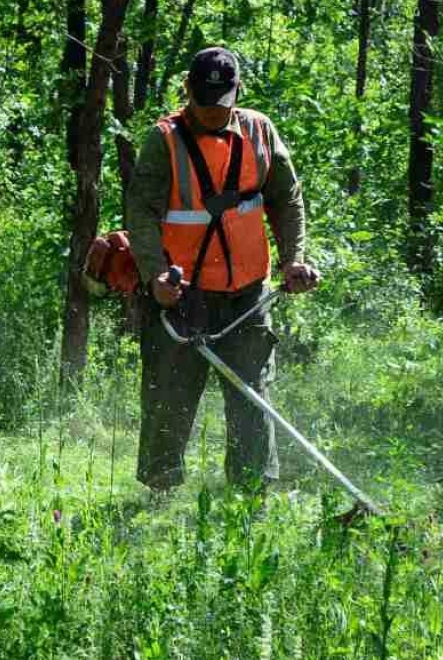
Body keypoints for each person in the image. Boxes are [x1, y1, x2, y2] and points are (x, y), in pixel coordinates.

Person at [125, 46, 320, 495]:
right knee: (168, 398)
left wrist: (293, 260)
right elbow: (141, 212)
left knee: (253, 397)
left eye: (222, 102)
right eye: (204, 101)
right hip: (182, 295)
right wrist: (156, 276)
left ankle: (251, 498)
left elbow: (287, 199)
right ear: (187, 90)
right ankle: (160, 492)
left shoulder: (259, 130)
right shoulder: (164, 140)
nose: (213, 111)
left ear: (238, 92)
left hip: (247, 295)